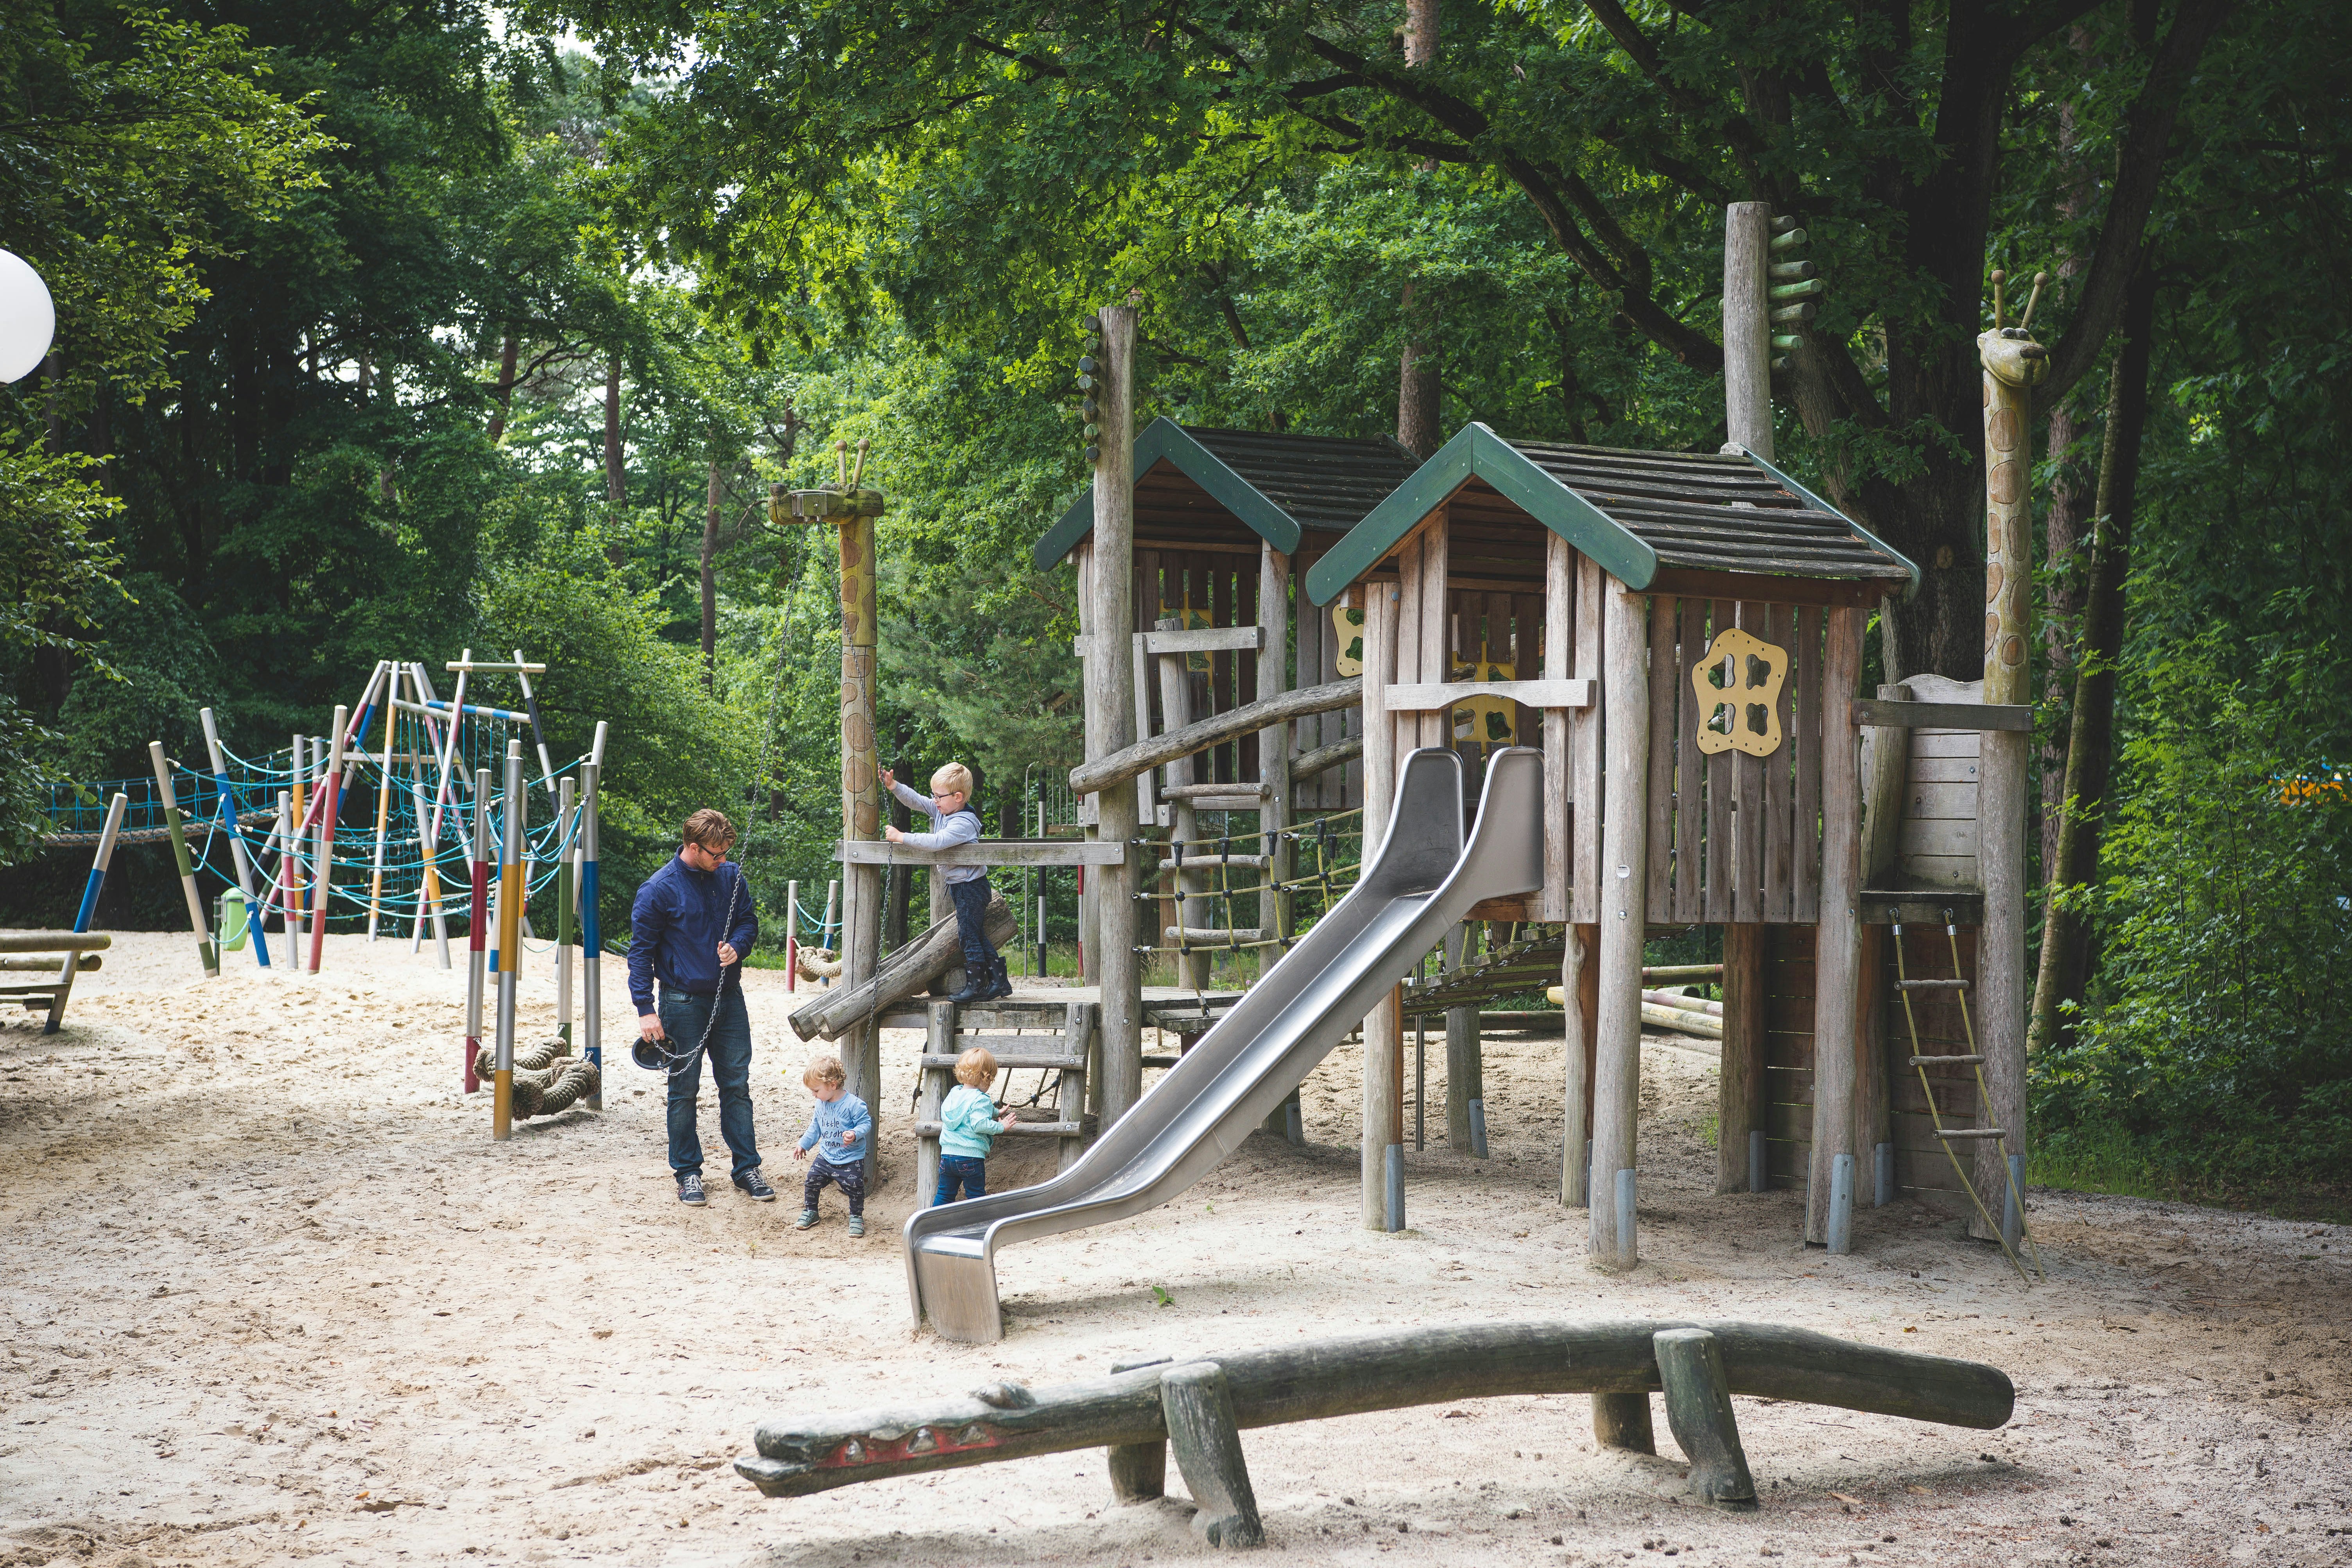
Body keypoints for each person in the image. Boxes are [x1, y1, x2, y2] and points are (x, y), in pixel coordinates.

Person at [627, 808, 769, 1208]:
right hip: (681, 1001)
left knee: (737, 1087)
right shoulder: (658, 889)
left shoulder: (730, 876)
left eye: (726, 853)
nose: (723, 860)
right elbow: (640, 955)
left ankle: (746, 1168)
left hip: (730, 998)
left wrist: (738, 945)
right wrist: (646, 1009)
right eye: (716, 854)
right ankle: (688, 1173)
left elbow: (749, 921)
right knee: (683, 1091)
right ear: (693, 847)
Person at [882, 761, 1010, 1005]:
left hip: (971, 887)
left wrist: (902, 837)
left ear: (958, 797)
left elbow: (937, 842)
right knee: (975, 933)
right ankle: (998, 981)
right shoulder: (944, 810)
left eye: (939, 796)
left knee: (968, 936)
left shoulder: (962, 822)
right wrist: (894, 786)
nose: (935, 801)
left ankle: (977, 985)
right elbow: (917, 801)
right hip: (962, 886)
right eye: (935, 796)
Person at [792, 1054, 871, 1236]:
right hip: (827, 1156)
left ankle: (856, 1217)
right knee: (812, 1180)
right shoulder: (821, 1104)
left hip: (850, 1158)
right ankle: (811, 1211)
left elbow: (866, 1123)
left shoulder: (853, 1104)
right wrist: (804, 1144)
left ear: (833, 1085)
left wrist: (855, 1133)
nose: (814, 1095)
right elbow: (816, 1127)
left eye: (816, 1090)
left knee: (855, 1187)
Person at [934, 1045, 1006, 1206]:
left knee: (945, 1195)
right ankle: (977, 1226)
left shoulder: (954, 1093)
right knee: (976, 1196)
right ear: (985, 1078)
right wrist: (1002, 1127)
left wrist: (995, 1112)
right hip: (971, 1157)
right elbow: (979, 1123)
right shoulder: (981, 1098)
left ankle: (933, 1224)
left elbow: (968, 1110)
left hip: (947, 1156)